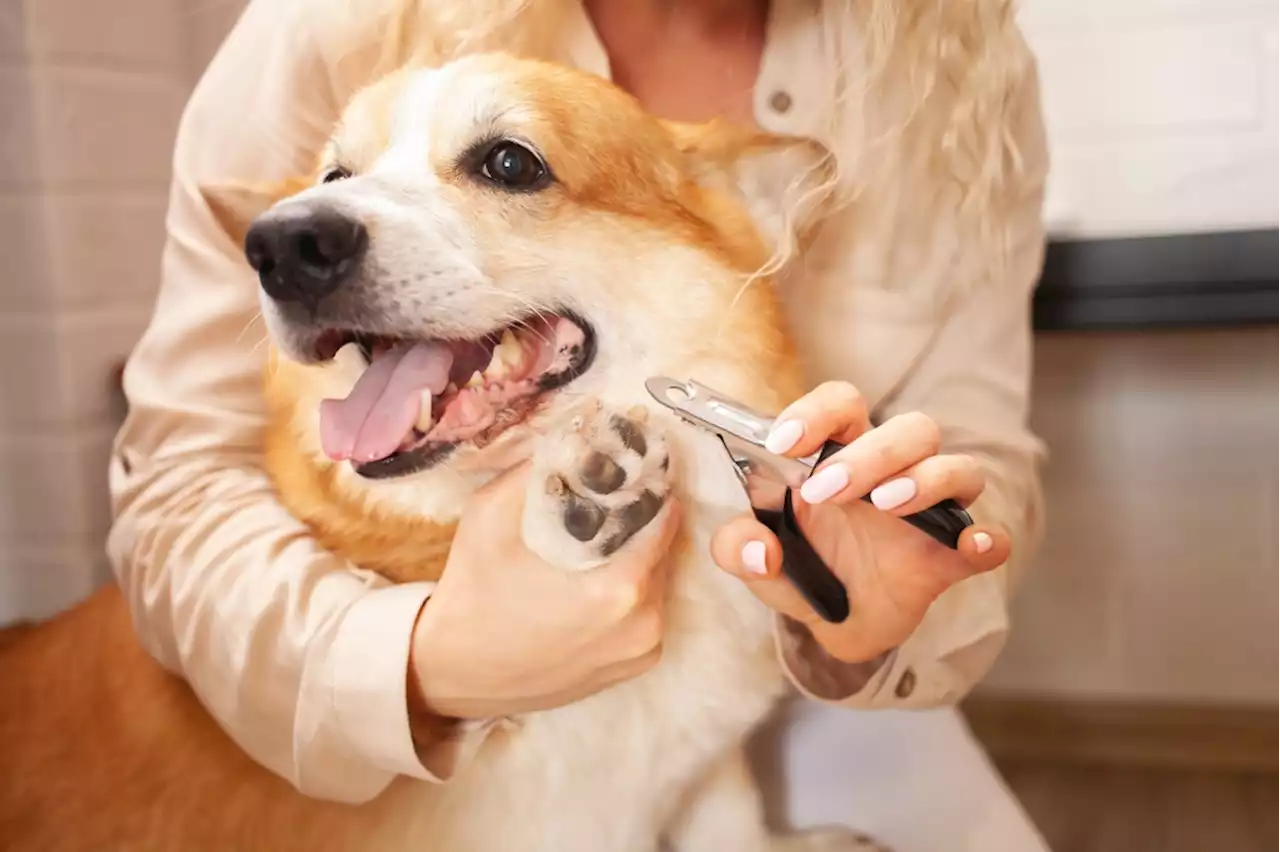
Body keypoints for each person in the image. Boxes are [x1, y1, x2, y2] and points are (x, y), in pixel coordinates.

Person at [108, 0, 1049, 844]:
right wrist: (424, 660)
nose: (308, 227)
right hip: (328, 679)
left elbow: (980, 452)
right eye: (338, 172)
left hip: (811, 687)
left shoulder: (957, 74)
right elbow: (175, 489)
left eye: (505, 164)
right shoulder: (332, 20)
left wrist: (891, 606)